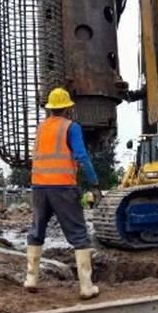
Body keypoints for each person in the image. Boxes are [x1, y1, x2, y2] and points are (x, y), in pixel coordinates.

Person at [25, 87, 101, 299]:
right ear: (68, 108)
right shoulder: (71, 127)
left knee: (36, 230)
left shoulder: (41, 128)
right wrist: (94, 181)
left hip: (39, 187)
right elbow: (81, 155)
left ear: (50, 109)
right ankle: (86, 287)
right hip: (63, 188)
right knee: (78, 234)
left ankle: (31, 278)